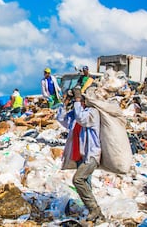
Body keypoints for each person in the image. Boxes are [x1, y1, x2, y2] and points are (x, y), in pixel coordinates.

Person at [57, 88, 105, 222]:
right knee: (86, 184)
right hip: (80, 156)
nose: (78, 102)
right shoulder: (75, 114)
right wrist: (65, 104)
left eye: (80, 100)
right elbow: (62, 120)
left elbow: (82, 119)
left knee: (78, 180)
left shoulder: (92, 113)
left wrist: (77, 99)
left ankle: (94, 209)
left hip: (91, 155)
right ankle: (97, 216)